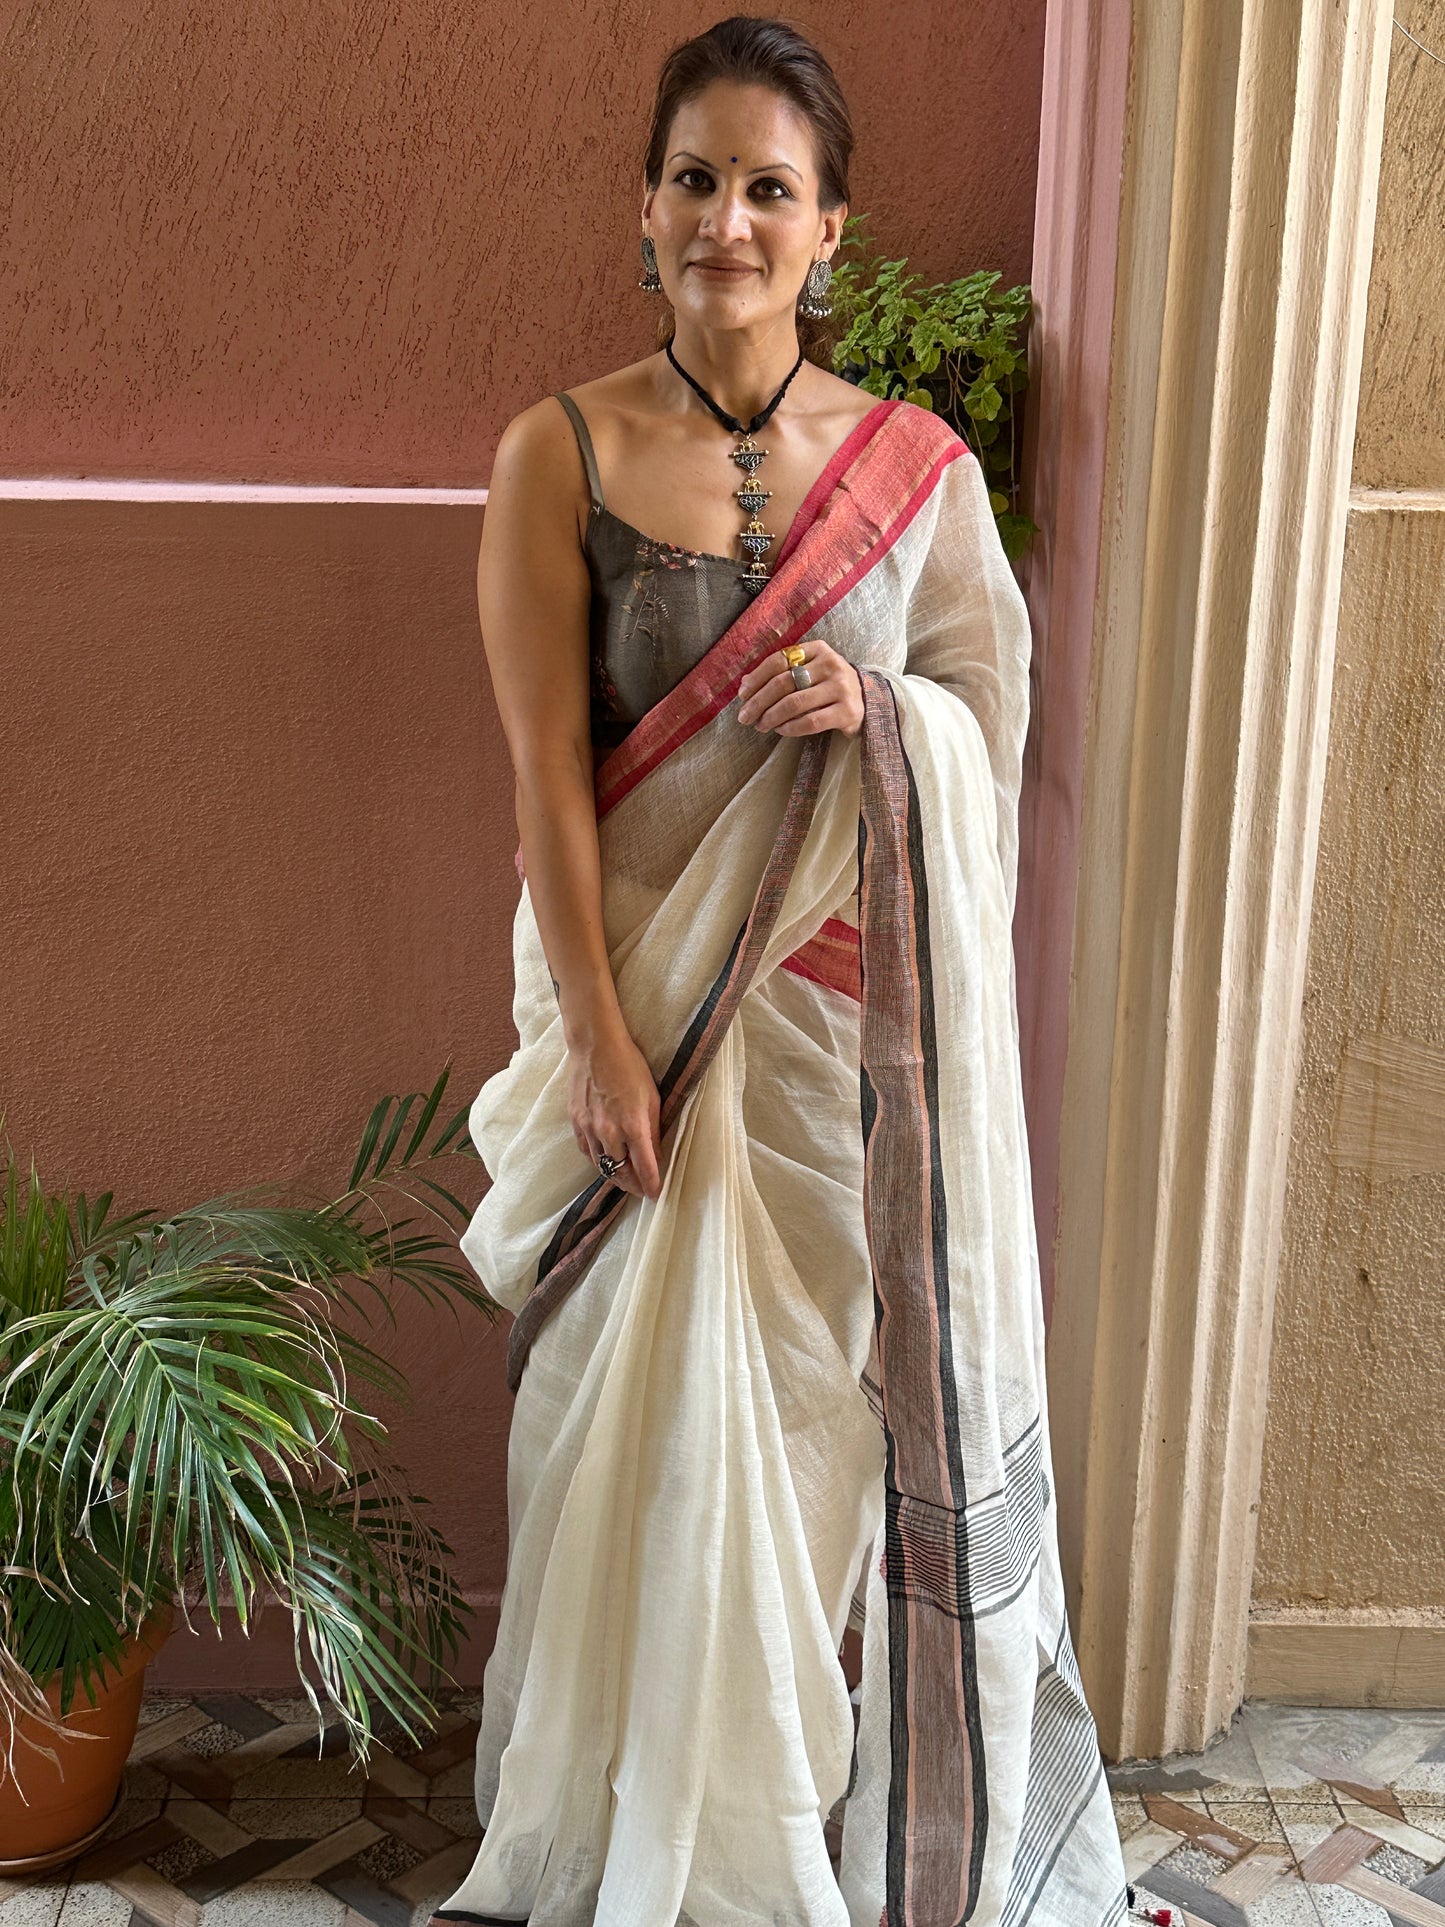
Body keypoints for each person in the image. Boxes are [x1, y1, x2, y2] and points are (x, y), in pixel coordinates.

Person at [431, 16, 1130, 1927]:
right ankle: (621, 1841)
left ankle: (760, 1850)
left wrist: (881, 711)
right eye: (694, 179)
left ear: (831, 232)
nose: (725, 220)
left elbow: (990, 713)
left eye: (768, 188)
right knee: (628, 1460)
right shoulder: (555, 451)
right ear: (641, 210)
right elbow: (546, 783)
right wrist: (598, 1047)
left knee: (801, 1466)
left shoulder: (914, 475)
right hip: (638, 1025)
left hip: (831, 1045)